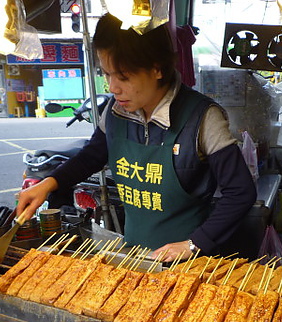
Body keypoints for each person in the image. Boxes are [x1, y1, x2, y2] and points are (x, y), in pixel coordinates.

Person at [16, 13, 256, 262]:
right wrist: (49, 183)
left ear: (157, 68)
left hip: (190, 262)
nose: (112, 87)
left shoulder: (203, 117)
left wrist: (194, 244)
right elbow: (92, 156)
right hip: (136, 256)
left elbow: (240, 192)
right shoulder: (114, 110)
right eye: (107, 74)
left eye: (124, 76)